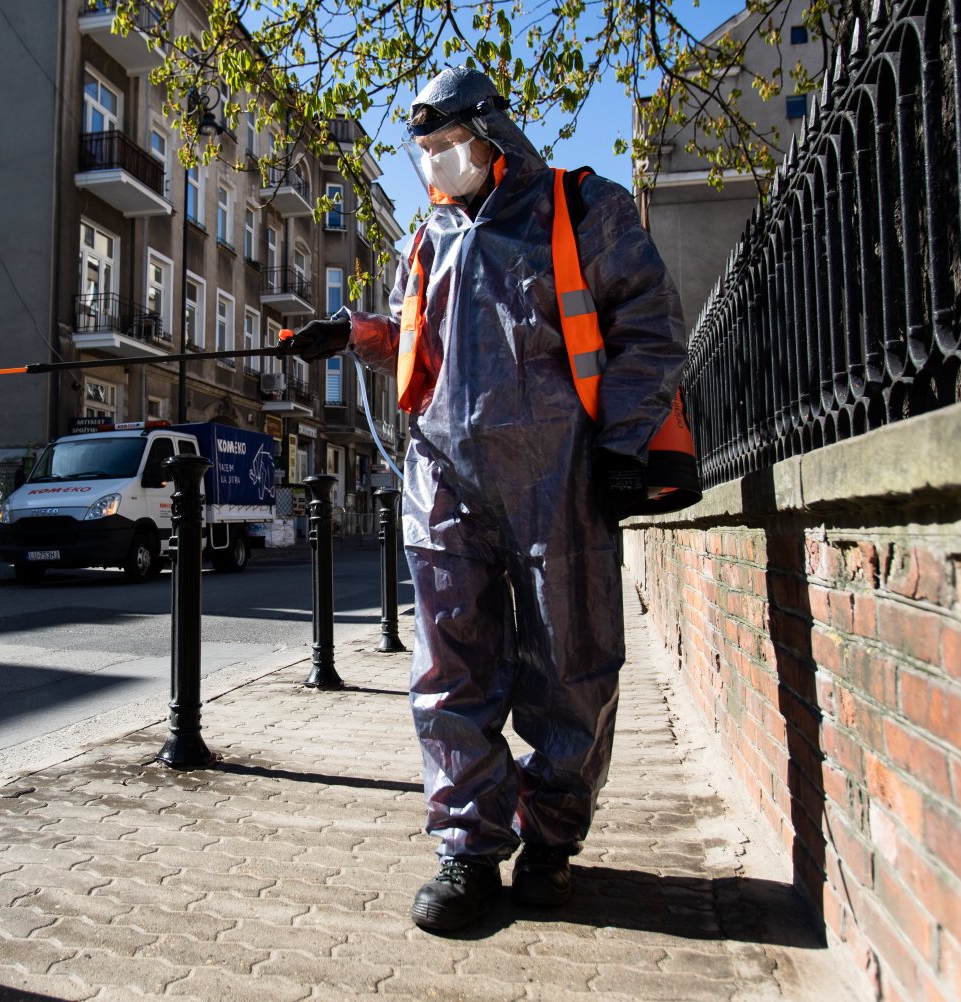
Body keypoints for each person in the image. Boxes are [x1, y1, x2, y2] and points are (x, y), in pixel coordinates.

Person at [287, 67, 687, 932]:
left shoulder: (584, 212)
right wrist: (354, 333)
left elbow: (648, 327)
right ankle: (468, 851)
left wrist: (620, 445)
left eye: (445, 146)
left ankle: (550, 840)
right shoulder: (426, 239)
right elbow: (417, 339)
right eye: (423, 152)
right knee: (449, 667)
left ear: (490, 132)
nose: (435, 164)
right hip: (443, 474)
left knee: (572, 663)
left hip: (559, 474)